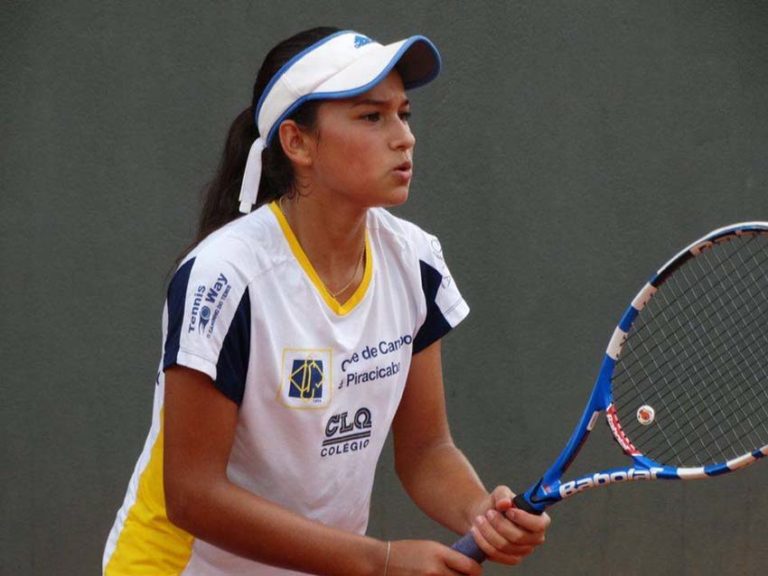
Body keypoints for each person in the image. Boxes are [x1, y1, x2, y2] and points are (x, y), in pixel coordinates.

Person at [103, 26, 550, 576]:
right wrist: (380, 560)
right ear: (297, 143)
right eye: (372, 117)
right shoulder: (224, 277)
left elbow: (426, 450)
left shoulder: (415, 261)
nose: (404, 137)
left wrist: (480, 512)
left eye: (404, 114)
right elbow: (193, 495)